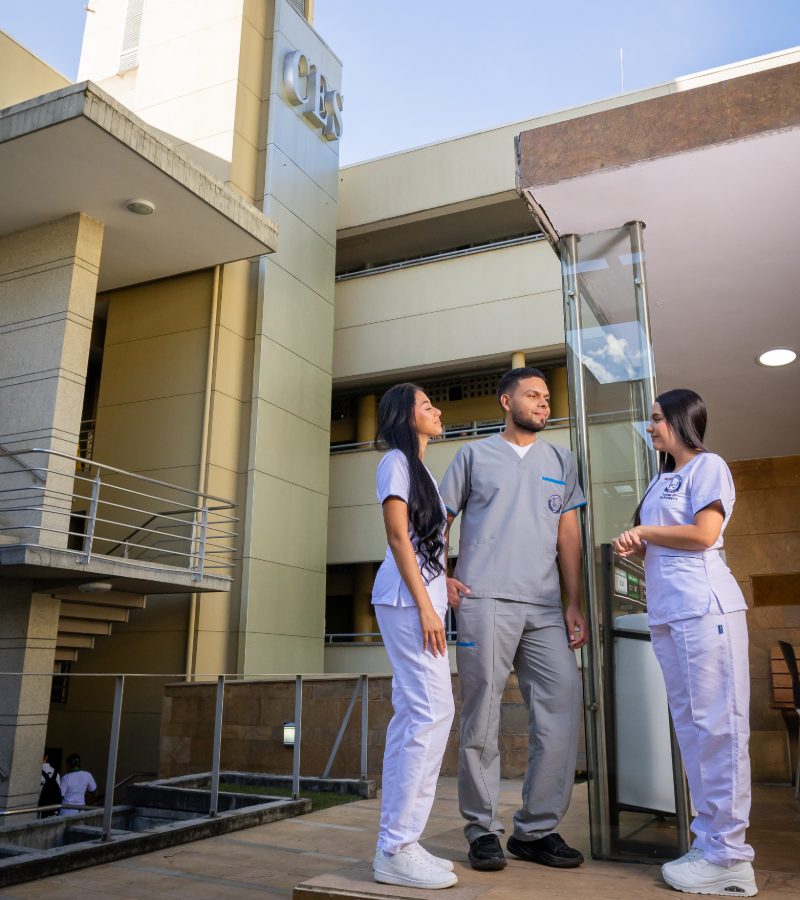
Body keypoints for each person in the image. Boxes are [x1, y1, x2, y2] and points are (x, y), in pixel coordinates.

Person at [439, 367, 588, 872]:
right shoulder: (473, 455)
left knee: (561, 706)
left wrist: (573, 601)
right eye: (533, 395)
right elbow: (439, 520)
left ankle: (536, 830)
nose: (544, 403)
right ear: (506, 401)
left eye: (546, 397)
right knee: (482, 715)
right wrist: (441, 576)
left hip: (545, 606)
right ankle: (482, 829)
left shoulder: (562, 460)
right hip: (485, 599)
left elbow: (569, 535)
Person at [613, 388, 756, 898]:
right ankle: (710, 843)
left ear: (680, 419)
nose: (650, 427)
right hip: (671, 613)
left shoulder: (708, 466)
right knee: (694, 731)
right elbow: (664, 543)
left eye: (656, 418)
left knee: (719, 728)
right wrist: (636, 543)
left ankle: (731, 857)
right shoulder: (662, 479)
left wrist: (645, 532)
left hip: (705, 608)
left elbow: (703, 534)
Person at [371, 383, 458, 890]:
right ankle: (397, 847)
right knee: (431, 713)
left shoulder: (421, 470)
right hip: (407, 603)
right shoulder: (396, 463)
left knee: (414, 716)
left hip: (419, 598)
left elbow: (426, 545)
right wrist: (427, 605)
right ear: (406, 417)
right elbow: (397, 535)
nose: (437, 411)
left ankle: (400, 841)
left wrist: (444, 584)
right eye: (427, 406)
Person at [38, 753, 61, 818]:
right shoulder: (56, 773)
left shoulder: (36, 771)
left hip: (39, 808)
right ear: (46, 757)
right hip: (53, 808)